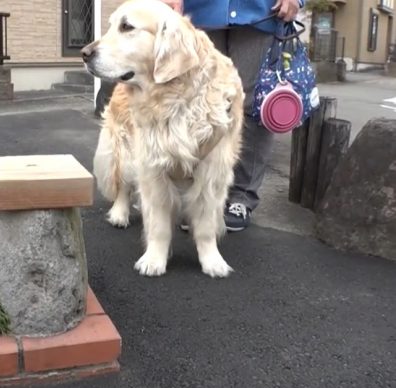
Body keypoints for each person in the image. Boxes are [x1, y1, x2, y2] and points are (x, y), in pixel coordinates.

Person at [94, 0, 304, 232]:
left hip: (259, 12)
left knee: (250, 106)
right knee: (186, 101)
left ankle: (240, 198)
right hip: (201, 11)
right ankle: (187, 198)